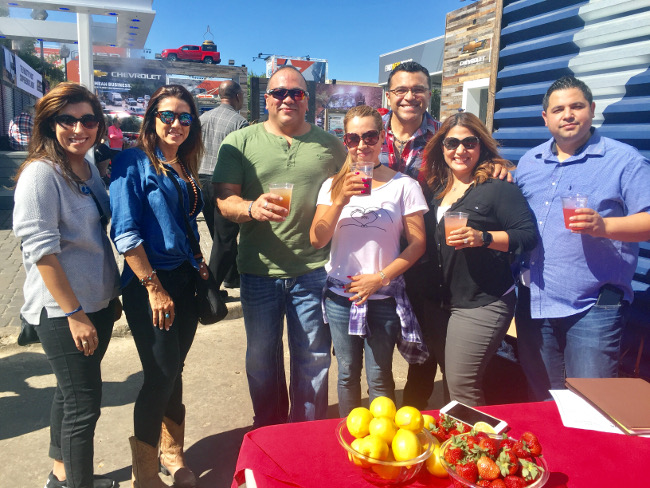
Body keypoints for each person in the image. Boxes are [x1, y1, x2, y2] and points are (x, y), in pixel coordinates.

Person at [213, 66, 346, 428]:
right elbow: (225, 200)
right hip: (259, 271)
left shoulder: (330, 145)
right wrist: (251, 208)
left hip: (313, 271)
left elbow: (356, 185)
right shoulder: (239, 142)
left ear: (308, 101)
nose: (288, 99)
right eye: (279, 93)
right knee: (261, 360)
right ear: (267, 99)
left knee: (313, 359)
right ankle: (270, 429)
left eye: (297, 93)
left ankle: (304, 433)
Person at [514, 75, 650, 401]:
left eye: (576, 106)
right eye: (558, 109)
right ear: (545, 118)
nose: (568, 114)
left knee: (593, 405)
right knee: (544, 401)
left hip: (594, 305)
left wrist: (604, 227)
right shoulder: (529, 162)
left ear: (591, 109)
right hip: (536, 300)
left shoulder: (625, 160)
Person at [12, 82, 120, 488]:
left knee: (69, 392)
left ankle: (60, 475)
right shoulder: (41, 174)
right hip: (64, 311)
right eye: (68, 120)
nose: (79, 129)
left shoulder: (87, 168)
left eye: (88, 120)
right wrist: (75, 315)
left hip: (97, 302)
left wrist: (108, 298)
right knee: (83, 404)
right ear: (50, 124)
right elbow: (42, 253)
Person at [110, 85, 207, 488]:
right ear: (151, 119)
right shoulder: (132, 162)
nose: (176, 124)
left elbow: (182, 224)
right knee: (159, 375)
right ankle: (144, 473)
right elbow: (125, 231)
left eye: (185, 117)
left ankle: (171, 453)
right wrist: (152, 285)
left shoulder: (184, 165)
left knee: (175, 370)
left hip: (184, 280)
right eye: (167, 115)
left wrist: (198, 261)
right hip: (150, 282)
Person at [310, 105, 428, 416]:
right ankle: (351, 436)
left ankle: (381, 441)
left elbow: (417, 245)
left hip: (382, 297)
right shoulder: (331, 185)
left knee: (379, 377)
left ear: (381, 138)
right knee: (347, 375)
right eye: (353, 138)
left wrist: (381, 277)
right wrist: (339, 200)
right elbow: (317, 238)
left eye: (370, 136)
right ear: (344, 141)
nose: (362, 145)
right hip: (341, 296)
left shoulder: (404, 185)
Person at [421, 112, 537, 406]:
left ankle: (478, 449)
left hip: (482, 301)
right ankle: (454, 442)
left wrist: (483, 238)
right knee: (453, 381)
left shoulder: (497, 188)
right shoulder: (437, 188)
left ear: (481, 146)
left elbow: (527, 236)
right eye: (452, 143)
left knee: (462, 386)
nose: (460, 150)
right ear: (442, 147)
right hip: (441, 303)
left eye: (469, 142)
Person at [198, 80, 248, 291]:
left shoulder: (202, 118)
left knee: (217, 234)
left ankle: (231, 276)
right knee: (225, 240)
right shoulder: (239, 123)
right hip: (224, 184)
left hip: (200, 180)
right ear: (237, 96)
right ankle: (209, 291)